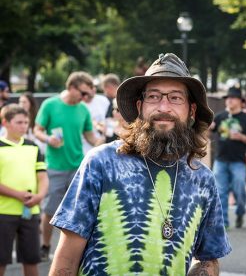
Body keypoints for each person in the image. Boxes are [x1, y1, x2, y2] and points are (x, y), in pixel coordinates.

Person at [48, 53, 231, 275]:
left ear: (191, 110)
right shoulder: (101, 163)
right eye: (153, 97)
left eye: (175, 98)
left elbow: (208, 259)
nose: (164, 107)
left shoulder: (202, 179)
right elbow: (67, 258)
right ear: (139, 106)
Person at [33, 71, 105, 261]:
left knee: (81, 210)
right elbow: (37, 130)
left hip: (78, 166)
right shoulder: (50, 104)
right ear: (71, 87)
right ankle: (45, 245)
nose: (86, 98)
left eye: (89, 95)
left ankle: (75, 252)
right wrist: (48, 139)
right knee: (49, 210)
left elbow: (89, 135)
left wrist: (101, 141)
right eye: (83, 93)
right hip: (55, 167)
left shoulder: (83, 109)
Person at [0, 104, 48, 276]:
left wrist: (40, 196)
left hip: (30, 211)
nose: (24, 126)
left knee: (31, 260)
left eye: (26, 122)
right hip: (3, 213)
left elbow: (42, 177)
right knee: (1, 261)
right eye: (19, 122)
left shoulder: (33, 147)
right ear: (5, 123)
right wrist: (18, 195)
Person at [211, 86, 246, 229]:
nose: (229, 100)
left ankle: (240, 212)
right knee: (221, 191)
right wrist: (207, 126)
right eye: (227, 98)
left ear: (239, 101)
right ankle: (223, 222)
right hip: (220, 159)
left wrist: (241, 137)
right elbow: (207, 132)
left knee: (239, 189)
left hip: (238, 161)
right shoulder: (220, 116)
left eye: (232, 98)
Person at [82, 84, 110, 154]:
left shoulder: (103, 100)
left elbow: (109, 118)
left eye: (94, 87)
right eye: (90, 87)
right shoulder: (79, 104)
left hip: (101, 143)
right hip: (84, 145)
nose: (93, 89)